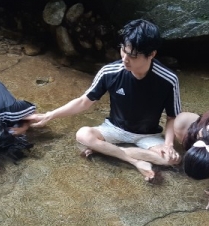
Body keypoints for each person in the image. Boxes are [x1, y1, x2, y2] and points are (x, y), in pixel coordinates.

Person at [27, 19, 181, 182]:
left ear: (152, 54)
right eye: (123, 50)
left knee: (172, 159)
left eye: (133, 56)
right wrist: (50, 115)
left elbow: (172, 116)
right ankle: (134, 160)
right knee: (83, 135)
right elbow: (84, 101)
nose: (125, 59)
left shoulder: (168, 79)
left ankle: (107, 150)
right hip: (114, 129)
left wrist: (168, 144)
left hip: (147, 135)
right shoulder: (110, 72)